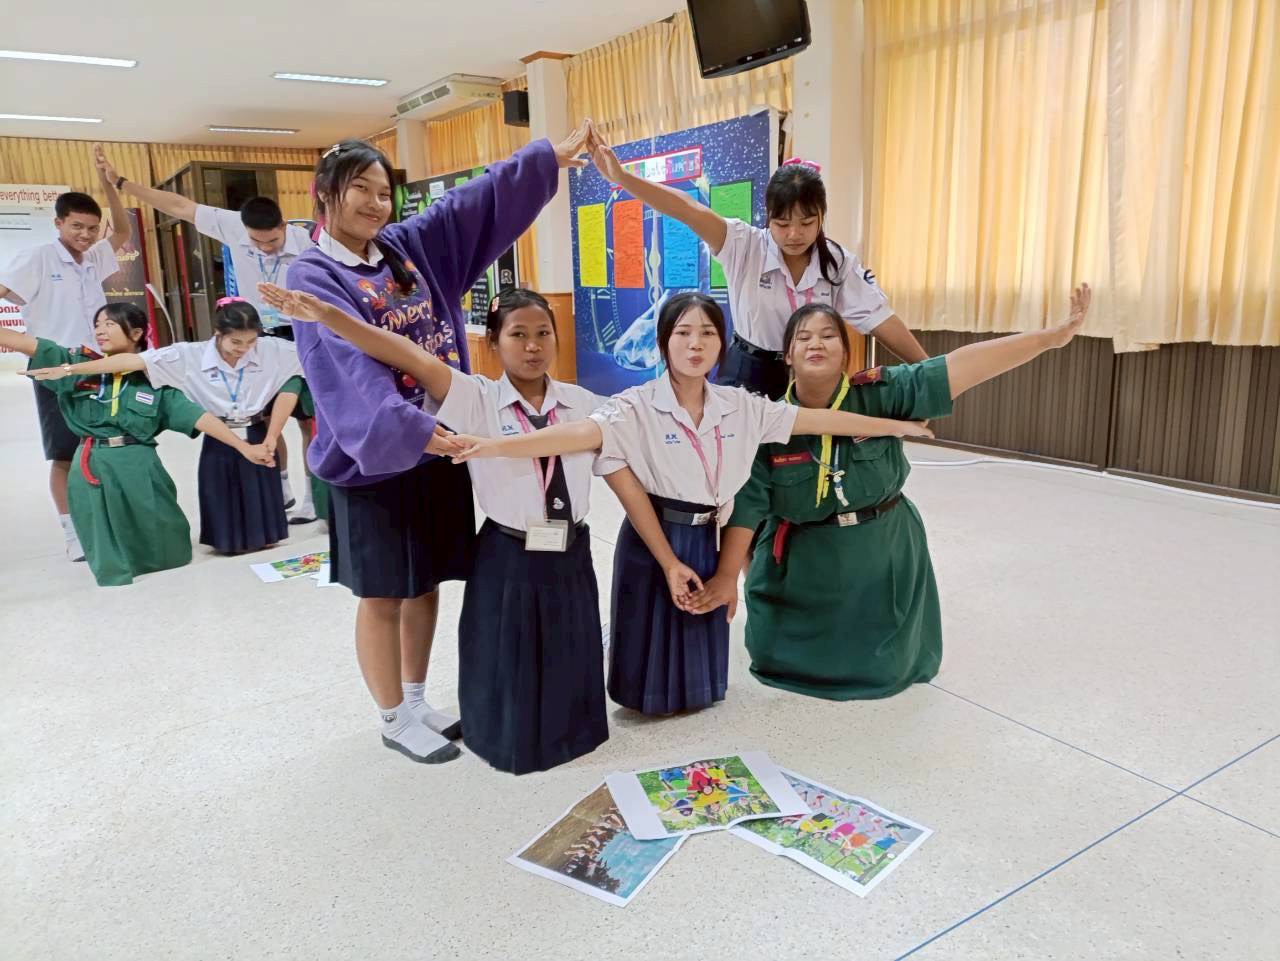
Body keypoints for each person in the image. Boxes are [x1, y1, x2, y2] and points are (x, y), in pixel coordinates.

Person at [452, 292, 933, 717]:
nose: (695, 343)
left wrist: (896, 427)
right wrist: (493, 446)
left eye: (708, 333)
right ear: (664, 342)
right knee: (651, 674)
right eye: (683, 332)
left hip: (707, 535)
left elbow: (819, 420)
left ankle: (697, 692)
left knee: (699, 662)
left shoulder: (740, 406)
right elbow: (577, 433)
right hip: (656, 535)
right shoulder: (636, 405)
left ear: (722, 344)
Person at [282, 125, 592, 764]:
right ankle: (392, 716)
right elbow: (343, 366)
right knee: (383, 592)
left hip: (442, 445)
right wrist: (418, 431)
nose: (376, 204)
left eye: (383, 192)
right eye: (360, 190)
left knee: (425, 581)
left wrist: (542, 159)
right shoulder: (313, 274)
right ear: (325, 194)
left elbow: (467, 205)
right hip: (378, 460)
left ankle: (417, 698)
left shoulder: (403, 248)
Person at [260, 282, 607, 775]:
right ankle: (502, 739)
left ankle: (575, 733)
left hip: (572, 546)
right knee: (508, 656)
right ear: (493, 341)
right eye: (518, 334)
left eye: (543, 334)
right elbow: (406, 353)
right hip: (510, 550)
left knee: (570, 646)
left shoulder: (580, 400)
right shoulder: (476, 397)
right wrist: (329, 317)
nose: (533, 346)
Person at [695, 285, 1092, 700]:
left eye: (828, 336)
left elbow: (959, 366)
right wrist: (729, 577)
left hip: (881, 554)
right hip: (803, 566)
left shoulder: (882, 393)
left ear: (845, 353)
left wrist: (1050, 337)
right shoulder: (768, 422)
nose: (816, 344)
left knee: (884, 666)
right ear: (788, 355)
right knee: (773, 657)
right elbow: (748, 509)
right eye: (803, 337)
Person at [588, 125, 928, 398]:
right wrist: (623, 178)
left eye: (807, 223)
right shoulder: (743, 244)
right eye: (782, 223)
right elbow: (687, 209)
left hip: (812, 373)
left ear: (821, 217)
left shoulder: (837, 263)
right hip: (749, 371)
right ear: (768, 217)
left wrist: (930, 372)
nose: (794, 234)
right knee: (742, 459)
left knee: (807, 457)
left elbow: (880, 318)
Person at [93, 145, 319, 521]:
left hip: (300, 335)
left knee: (307, 420)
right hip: (256, 336)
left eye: (272, 241)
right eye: (256, 243)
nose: (265, 249)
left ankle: (313, 495)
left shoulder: (308, 246)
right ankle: (280, 488)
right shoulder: (232, 225)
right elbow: (178, 206)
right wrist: (122, 183)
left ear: (284, 227)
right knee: (262, 414)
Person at [3, 303, 273, 586]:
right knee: (108, 552)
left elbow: (197, 417)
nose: (100, 331)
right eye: (98, 324)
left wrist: (244, 447)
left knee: (169, 552)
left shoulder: (154, 379)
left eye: (109, 324)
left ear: (136, 333)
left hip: (140, 468)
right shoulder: (75, 364)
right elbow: (19, 341)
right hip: (93, 465)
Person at [0, 158, 133, 561]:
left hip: (97, 364)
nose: (85, 235)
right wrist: (24, 344)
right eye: (76, 226)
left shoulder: (93, 257)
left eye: (91, 228)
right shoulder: (37, 258)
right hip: (54, 367)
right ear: (58, 223)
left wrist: (109, 186)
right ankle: (72, 532)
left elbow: (123, 231)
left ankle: (103, 522)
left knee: (101, 445)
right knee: (63, 453)